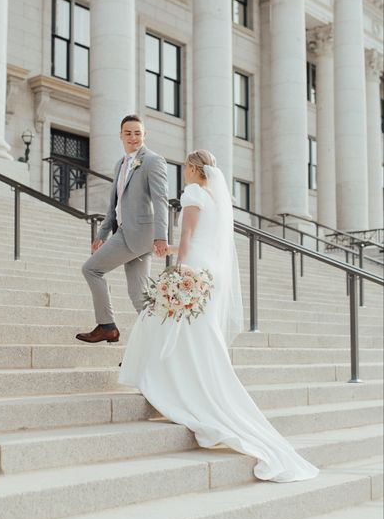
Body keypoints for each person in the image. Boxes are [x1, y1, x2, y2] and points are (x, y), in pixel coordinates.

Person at [119, 149, 319, 483]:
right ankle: (177, 380)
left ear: (195, 169)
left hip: (194, 271)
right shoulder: (214, 198)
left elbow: (186, 235)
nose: (184, 173)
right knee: (188, 332)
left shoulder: (194, 193)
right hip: (210, 272)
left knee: (160, 320)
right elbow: (198, 238)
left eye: (186, 167)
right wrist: (169, 251)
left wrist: (178, 266)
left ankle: (167, 383)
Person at [77, 114, 169, 344]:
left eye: (137, 133)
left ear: (144, 135)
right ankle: (157, 346)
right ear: (120, 135)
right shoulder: (120, 164)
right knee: (139, 295)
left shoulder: (153, 161)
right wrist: (102, 233)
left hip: (137, 234)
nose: (133, 137)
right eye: (128, 133)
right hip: (125, 233)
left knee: (91, 269)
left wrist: (161, 236)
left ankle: (107, 325)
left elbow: (161, 200)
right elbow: (115, 204)